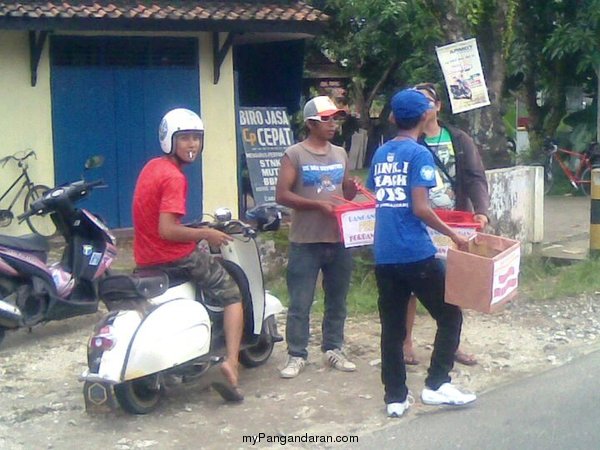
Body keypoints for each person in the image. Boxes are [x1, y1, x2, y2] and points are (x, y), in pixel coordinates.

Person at [367, 89, 477, 418]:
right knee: (449, 315)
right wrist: (453, 234)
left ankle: (395, 397)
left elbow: (377, 193)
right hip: (415, 252)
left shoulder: (380, 153)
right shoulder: (419, 155)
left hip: (384, 254)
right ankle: (437, 383)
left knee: (393, 327)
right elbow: (420, 207)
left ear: (392, 117)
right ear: (424, 117)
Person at [132, 108, 244, 401]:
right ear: (170, 140)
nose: (192, 145)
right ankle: (231, 363)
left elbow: (157, 221)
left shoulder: (151, 168)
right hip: (174, 256)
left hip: (145, 258)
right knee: (232, 295)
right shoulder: (174, 177)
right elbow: (168, 230)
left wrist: (193, 226)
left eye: (197, 138)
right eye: (185, 139)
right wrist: (206, 234)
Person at [402, 82, 490, 367]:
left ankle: (452, 343)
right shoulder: (406, 142)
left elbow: (476, 177)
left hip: (456, 223)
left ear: (438, 106)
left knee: (454, 283)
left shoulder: (458, 139)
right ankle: (405, 342)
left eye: (427, 101)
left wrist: (482, 211)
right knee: (412, 287)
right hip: (419, 224)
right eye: (416, 101)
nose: (422, 107)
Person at [275, 95, 360, 379]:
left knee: (337, 298)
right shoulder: (295, 154)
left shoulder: (340, 153)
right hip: (306, 240)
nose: (333, 124)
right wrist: (317, 205)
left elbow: (345, 193)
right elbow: (282, 195)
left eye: (335, 119)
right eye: (326, 119)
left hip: (338, 237)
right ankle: (296, 354)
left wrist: (351, 188)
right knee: (300, 301)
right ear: (311, 123)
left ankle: (333, 347)